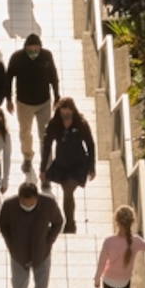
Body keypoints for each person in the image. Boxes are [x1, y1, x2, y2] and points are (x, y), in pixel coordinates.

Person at [0, 174, 64, 288]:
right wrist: (11, 245)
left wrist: (49, 241)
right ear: (19, 198)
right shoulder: (9, 205)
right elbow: (2, 224)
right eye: (24, 203)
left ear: (37, 198)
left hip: (42, 254)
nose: (28, 206)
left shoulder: (48, 204)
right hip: (18, 255)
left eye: (31, 203)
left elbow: (58, 222)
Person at [4, 28, 60, 173]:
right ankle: (27, 157)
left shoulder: (47, 56)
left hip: (44, 102)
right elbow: (8, 79)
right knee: (25, 132)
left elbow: (53, 76)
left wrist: (57, 97)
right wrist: (8, 99)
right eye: (31, 50)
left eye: (36, 49)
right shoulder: (17, 58)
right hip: (24, 103)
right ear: (26, 48)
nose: (34, 53)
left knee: (45, 134)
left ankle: (47, 163)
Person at [41, 95, 96, 233]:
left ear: (73, 111)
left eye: (68, 112)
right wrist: (43, 169)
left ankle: (70, 224)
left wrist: (91, 167)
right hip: (62, 163)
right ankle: (68, 222)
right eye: (63, 112)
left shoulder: (81, 124)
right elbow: (47, 146)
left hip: (78, 164)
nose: (65, 116)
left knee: (68, 190)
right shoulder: (54, 124)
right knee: (66, 191)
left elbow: (90, 145)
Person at [93, 203, 145, 288]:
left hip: (109, 279)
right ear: (132, 222)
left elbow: (102, 263)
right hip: (124, 280)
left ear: (116, 222)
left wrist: (97, 279)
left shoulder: (109, 241)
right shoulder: (137, 241)